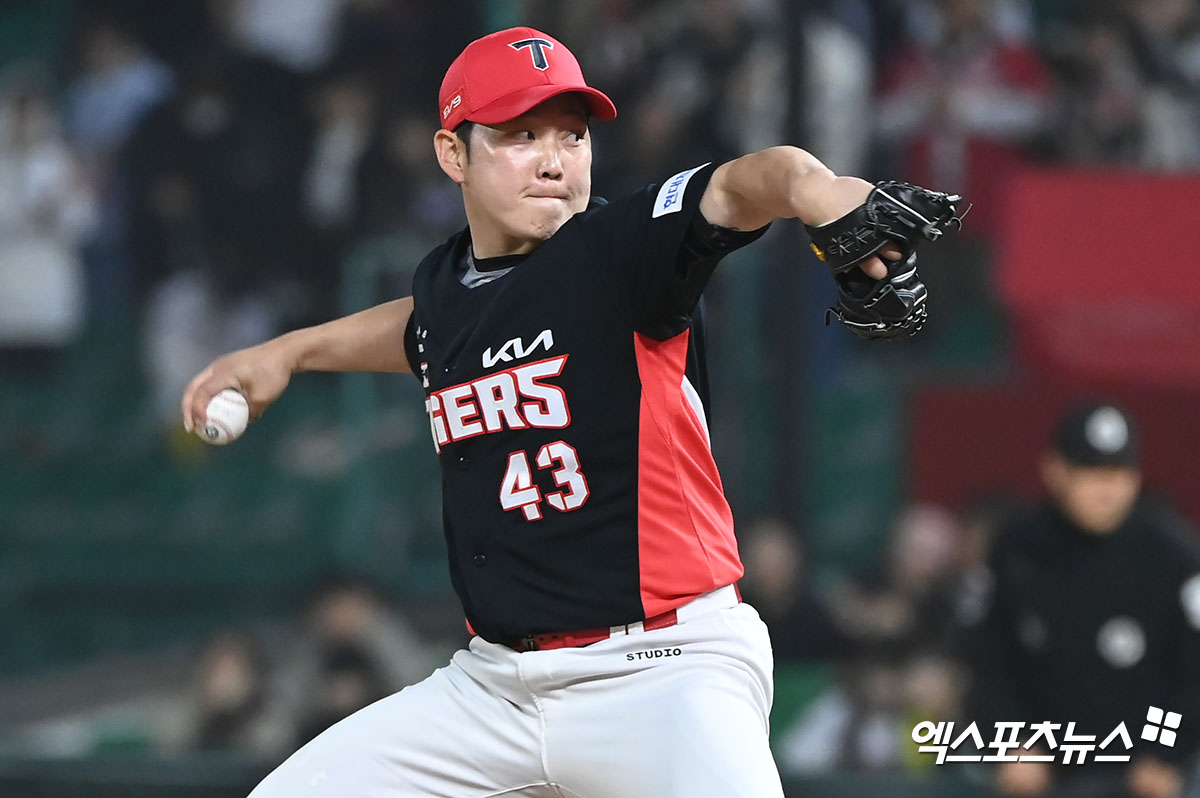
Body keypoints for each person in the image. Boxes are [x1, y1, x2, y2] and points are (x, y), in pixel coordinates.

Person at [181, 26, 920, 798]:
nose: (553, 158)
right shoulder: (448, 287)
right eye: (518, 135)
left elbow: (738, 187)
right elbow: (424, 330)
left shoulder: (622, 250)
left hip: (664, 670)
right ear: (452, 154)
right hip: (494, 688)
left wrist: (813, 187)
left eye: (572, 135)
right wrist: (290, 353)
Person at [959, 400, 1200, 798]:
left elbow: (1193, 675)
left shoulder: (1171, 554)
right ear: (1055, 471)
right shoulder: (1020, 547)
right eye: (1091, 473)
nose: (1107, 490)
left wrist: (1165, 751)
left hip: (1151, 777)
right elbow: (987, 659)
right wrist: (1013, 742)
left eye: (1119, 474)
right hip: (1045, 773)